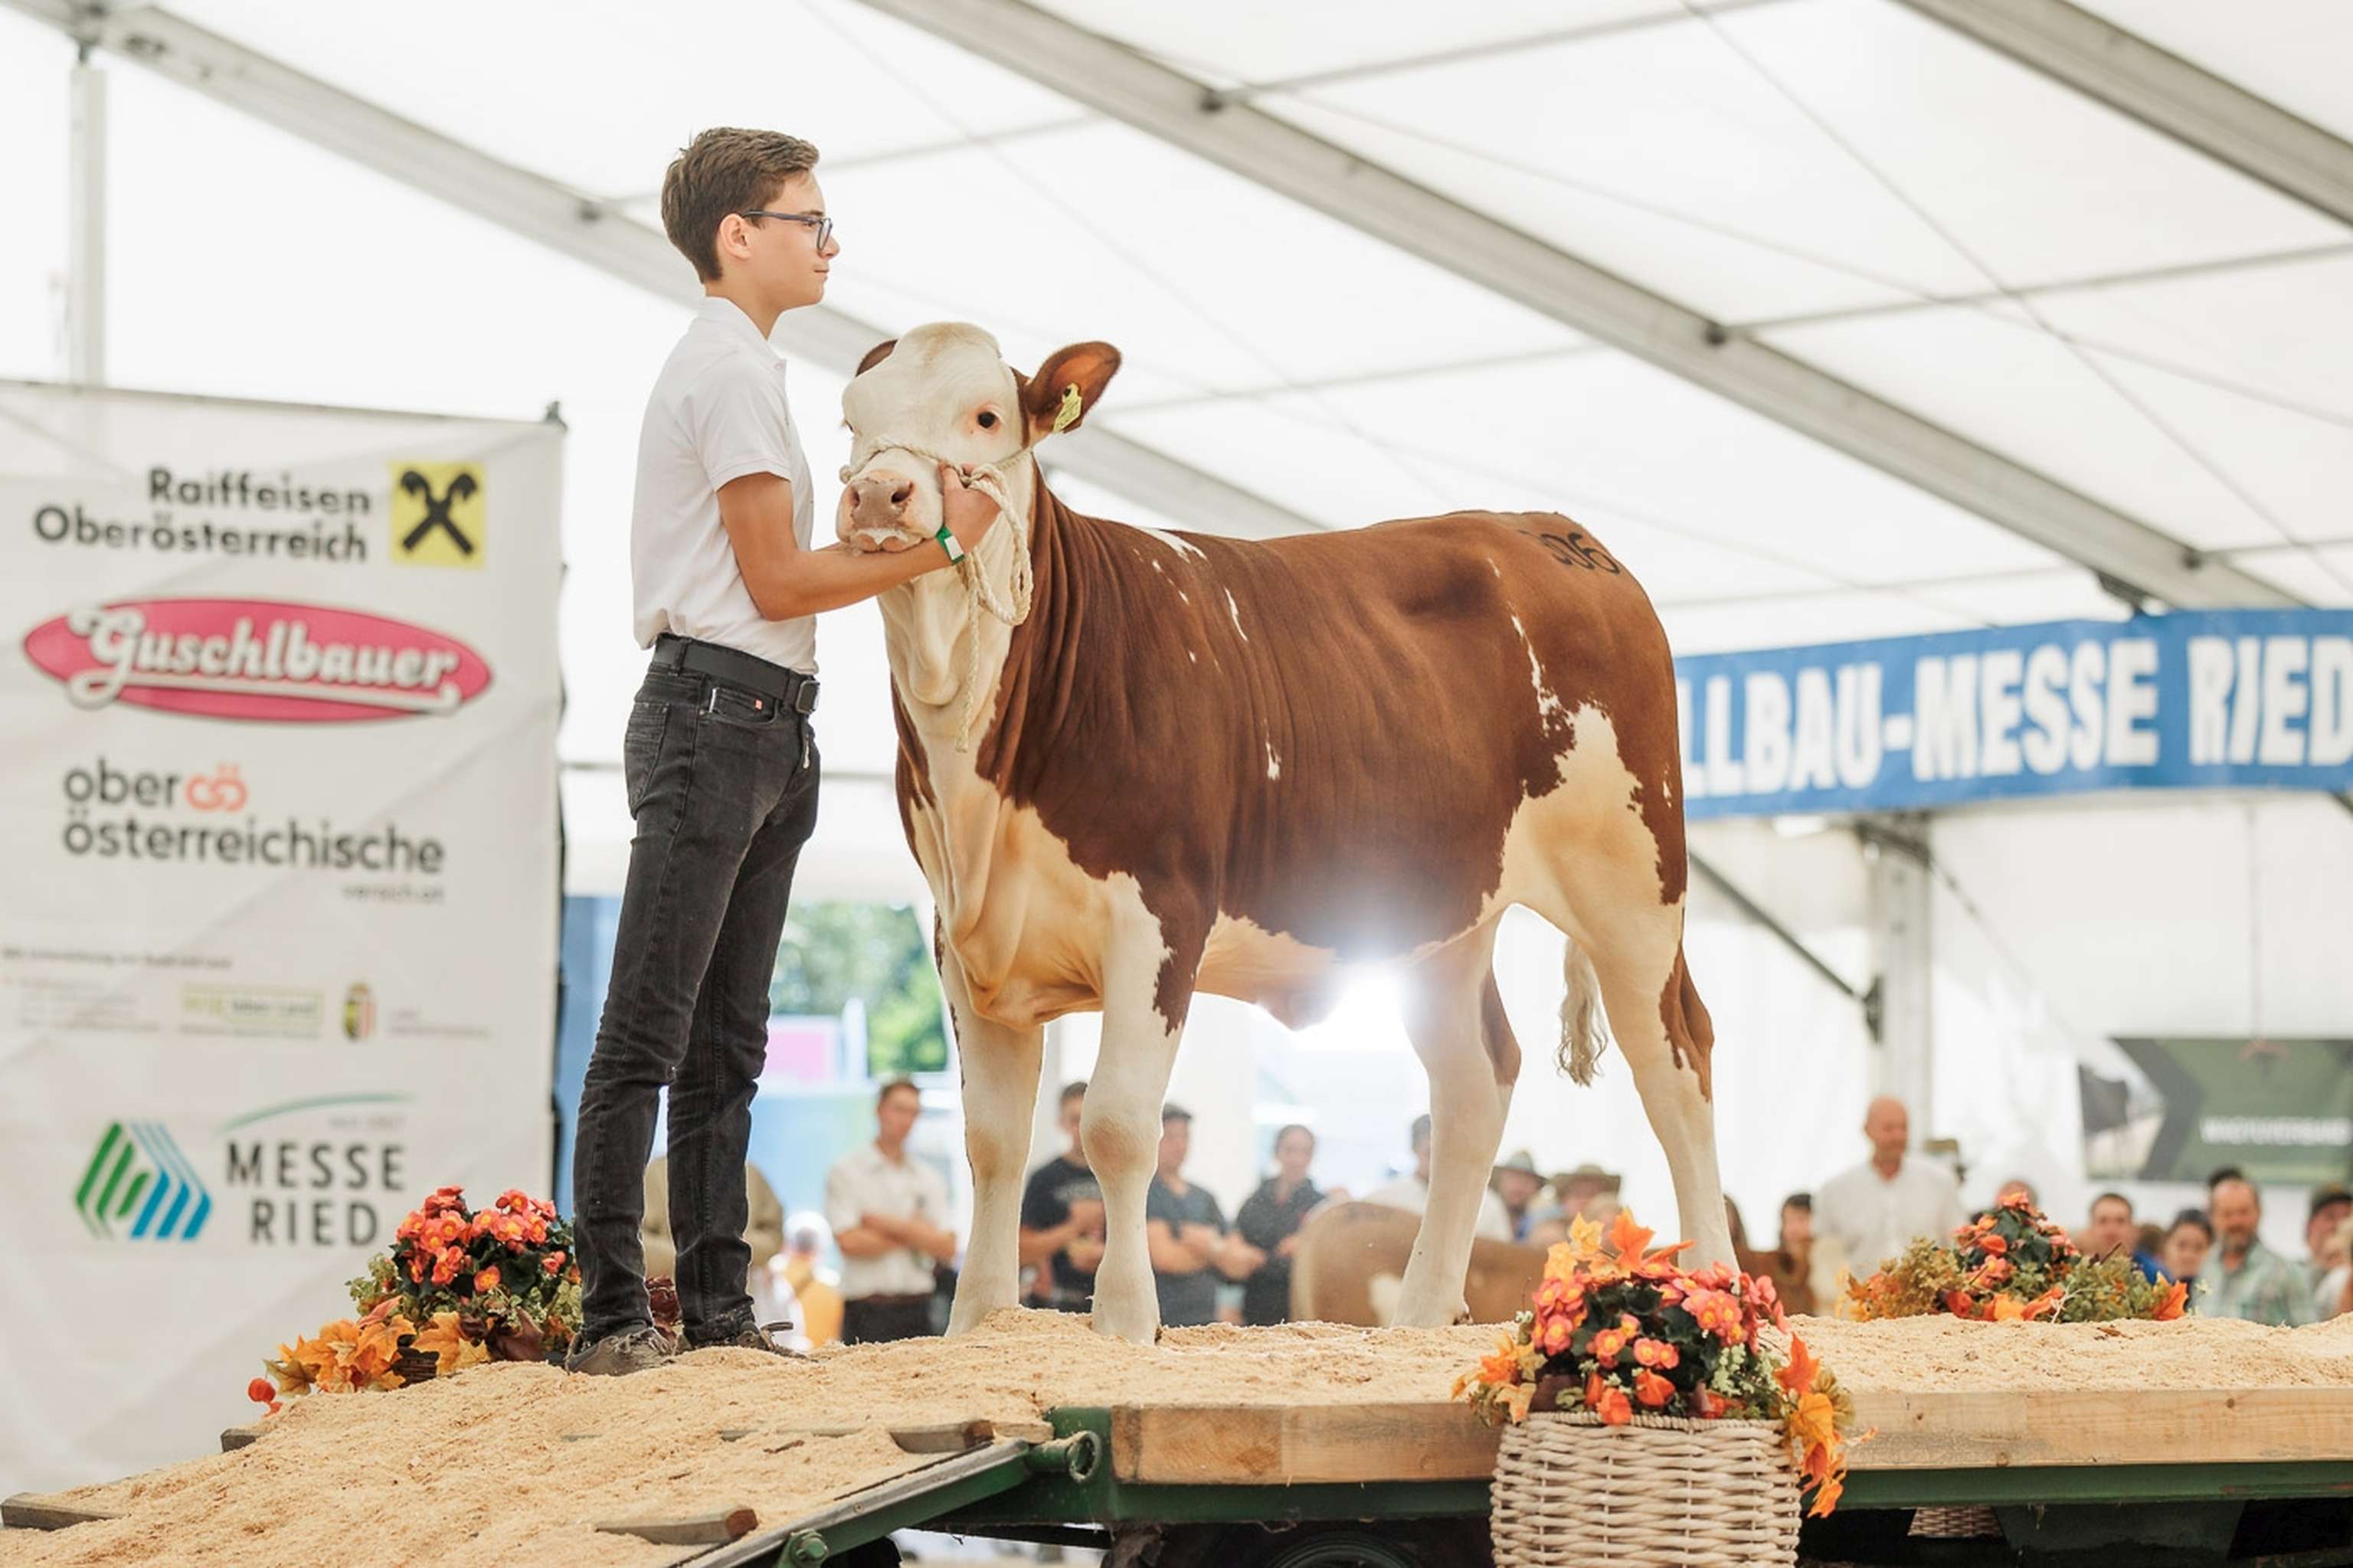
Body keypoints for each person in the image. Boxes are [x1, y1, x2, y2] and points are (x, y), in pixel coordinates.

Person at [567, 129, 1002, 1377]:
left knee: (726, 1041)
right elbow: (772, 576)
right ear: (737, 235)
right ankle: (611, 1315)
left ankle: (712, 1311)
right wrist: (948, 544)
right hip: (715, 716)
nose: (828, 243)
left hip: (764, 723)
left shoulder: (749, 367)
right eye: (808, 221)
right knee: (651, 1034)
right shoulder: (729, 371)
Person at [825, 1078, 957, 1344]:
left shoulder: (928, 1178)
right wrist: (918, 1234)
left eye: (913, 1112)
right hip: (867, 1309)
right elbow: (850, 1242)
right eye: (899, 1109)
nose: (906, 1120)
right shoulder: (847, 1172)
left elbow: (947, 1247)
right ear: (880, 1110)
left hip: (918, 1308)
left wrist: (888, 1225)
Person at [1812, 1097, 1965, 1277]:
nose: (1898, 1136)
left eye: (1903, 1128)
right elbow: (1825, 1260)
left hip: (1931, 1302)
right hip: (1859, 1301)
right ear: (1867, 1130)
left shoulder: (1941, 1182)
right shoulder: (1834, 1192)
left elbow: (1961, 1245)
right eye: (1888, 1128)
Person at [1145, 1106, 1253, 1328]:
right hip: (1159, 1322)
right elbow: (1165, 1258)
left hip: (1205, 1322)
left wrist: (1208, 1247)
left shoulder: (1205, 1198)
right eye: (1170, 1137)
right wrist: (1215, 1250)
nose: (1179, 1145)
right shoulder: (1145, 1193)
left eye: (1185, 1136)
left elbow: (1240, 1263)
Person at [1020, 1081, 1106, 1312]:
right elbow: (1022, 1250)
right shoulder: (1044, 1179)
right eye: (1076, 1119)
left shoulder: (1119, 1178)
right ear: (1062, 1123)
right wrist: (1075, 1227)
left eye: (1089, 1117)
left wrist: (1105, 1256)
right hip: (1056, 1306)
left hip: (1110, 1304)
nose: (1083, 1127)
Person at [1364, 1114, 1512, 1241]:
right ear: (1414, 1150)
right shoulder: (1383, 1200)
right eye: (1430, 1153)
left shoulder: (1487, 1206)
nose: (1440, 1162)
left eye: (1448, 1153)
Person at [1235, 1124, 1327, 1327]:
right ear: (1277, 1151)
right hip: (1256, 1308)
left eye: (1305, 1152)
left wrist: (1306, 1242)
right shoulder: (1255, 1201)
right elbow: (1236, 1244)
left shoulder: (1322, 1206)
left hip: (1301, 1312)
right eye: (1290, 1150)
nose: (1297, 1159)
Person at [2205, 1177, 2317, 1325]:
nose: (2236, 1222)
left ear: (2259, 1213)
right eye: (2227, 1214)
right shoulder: (2206, 1267)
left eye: (2243, 1212)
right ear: (2212, 1217)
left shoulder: (2287, 1274)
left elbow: (2309, 1336)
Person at [776, 1212, 845, 1347]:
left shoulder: (772, 1277)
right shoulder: (834, 1285)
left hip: (776, 1358)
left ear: (787, 1243)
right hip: (819, 1361)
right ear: (823, 1246)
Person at [2083, 1191, 2162, 1280]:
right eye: (2103, 1221)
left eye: (2120, 1221)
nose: (2111, 1230)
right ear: (2090, 1228)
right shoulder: (2074, 1274)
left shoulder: (2154, 1275)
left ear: (2132, 1228)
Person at [2303, 1184, 2353, 1308]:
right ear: (2310, 1227)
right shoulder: (2291, 1275)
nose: (2339, 1224)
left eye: (2347, 1216)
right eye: (2330, 1217)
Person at [1492, 1151, 1551, 1242]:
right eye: (1512, 1178)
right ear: (1501, 1181)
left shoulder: (1540, 1224)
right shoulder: (1484, 1213)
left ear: (1536, 1188)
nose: (1518, 1187)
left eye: (1526, 1182)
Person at [2161, 1209, 2214, 1306]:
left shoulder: (2215, 1302)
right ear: (2166, 1247)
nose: (2188, 1256)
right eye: (2181, 1246)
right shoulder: (2153, 1299)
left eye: (2198, 1248)